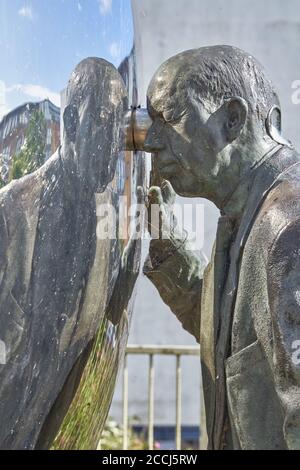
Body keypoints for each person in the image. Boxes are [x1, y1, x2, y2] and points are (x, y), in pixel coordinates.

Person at [143, 45, 300, 450]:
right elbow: (231, 340)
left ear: (232, 119)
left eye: (169, 118)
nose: (150, 142)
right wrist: (168, 246)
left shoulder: (286, 227)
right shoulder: (243, 214)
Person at [0, 57, 132, 449]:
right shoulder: (11, 212)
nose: (115, 140)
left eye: (120, 124)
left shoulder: (109, 209)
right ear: (72, 121)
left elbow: (107, 312)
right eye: (104, 120)